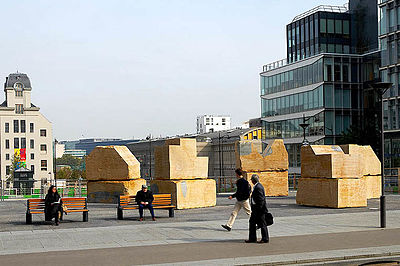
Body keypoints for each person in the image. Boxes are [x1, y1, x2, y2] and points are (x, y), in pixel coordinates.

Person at [245, 174, 269, 243]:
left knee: (262, 224)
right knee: (252, 222)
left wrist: (259, 209)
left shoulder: (258, 187)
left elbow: (261, 200)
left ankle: (265, 239)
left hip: (259, 210)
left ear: (253, 181)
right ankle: (252, 238)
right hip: (256, 209)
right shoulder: (257, 186)